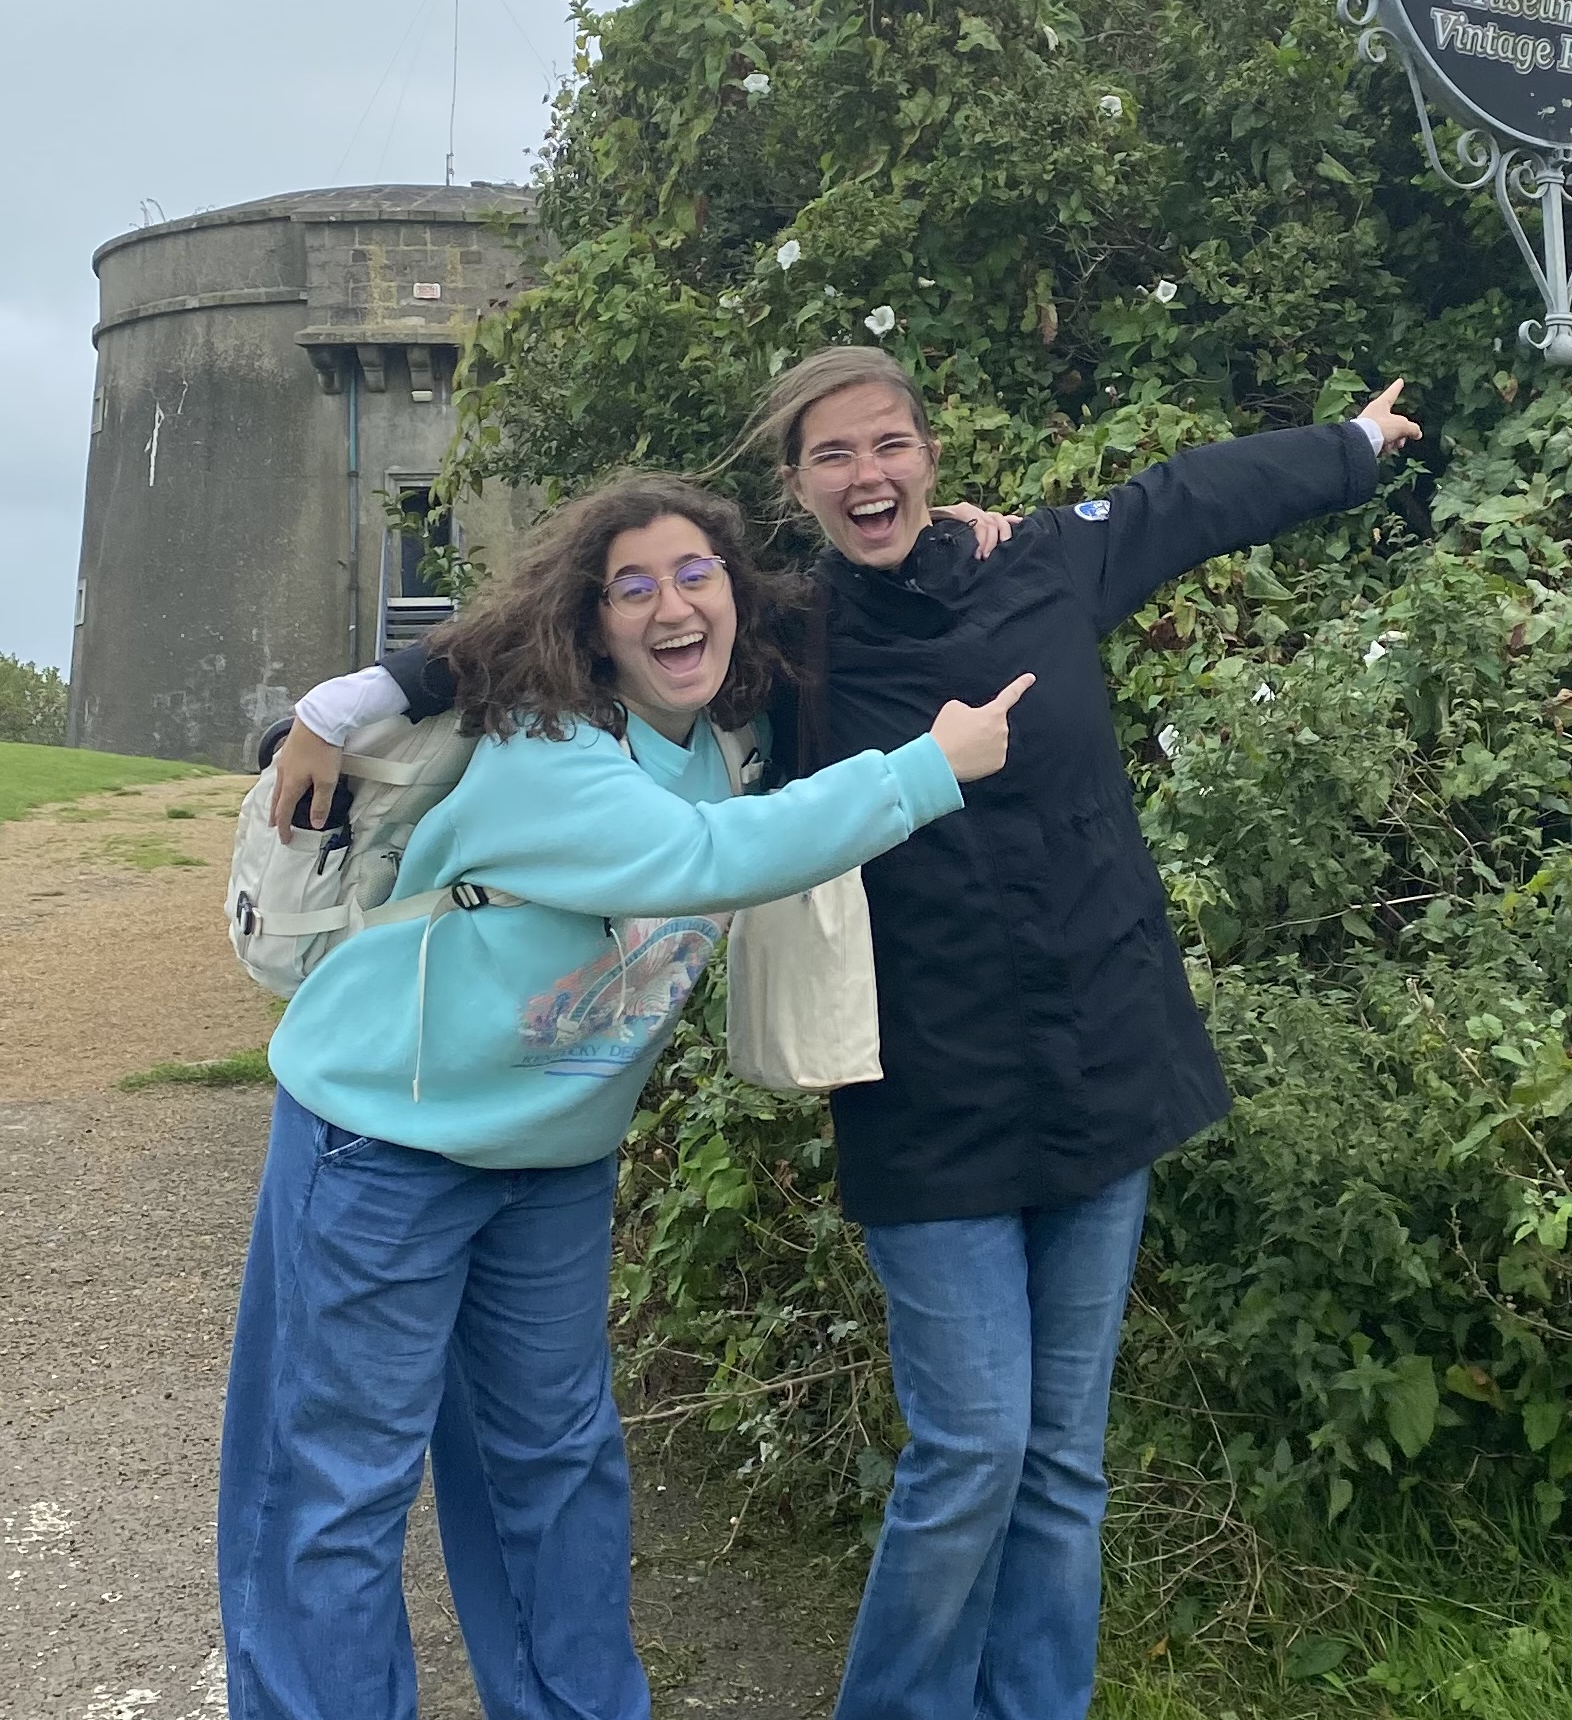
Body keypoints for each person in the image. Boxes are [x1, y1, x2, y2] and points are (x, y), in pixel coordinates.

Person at [274, 354, 1423, 1720]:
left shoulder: (1041, 561)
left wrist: (1351, 447)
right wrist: (360, 697)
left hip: (1105, 1060)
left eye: (889, 444)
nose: (866, 473)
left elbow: (1187, 499)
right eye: (833, 453)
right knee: (974, 1448)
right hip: (928, 1091)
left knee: (1062, 1460)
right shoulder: (790, 638)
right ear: (797, 484)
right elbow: (581, 623)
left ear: (930, 455)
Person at [225, 470, 1031, 1720]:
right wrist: (926, 770)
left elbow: (860, 612)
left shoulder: (732, 742)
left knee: (556, 1468)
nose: (672, 605)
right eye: (633, 587)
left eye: (696, 575)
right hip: (382, 1141)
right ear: (592, 624)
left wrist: (951, 537)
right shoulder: (547, 752)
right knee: (336, 1480)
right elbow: (699, 858)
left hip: (553, 1161)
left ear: (735, 598)